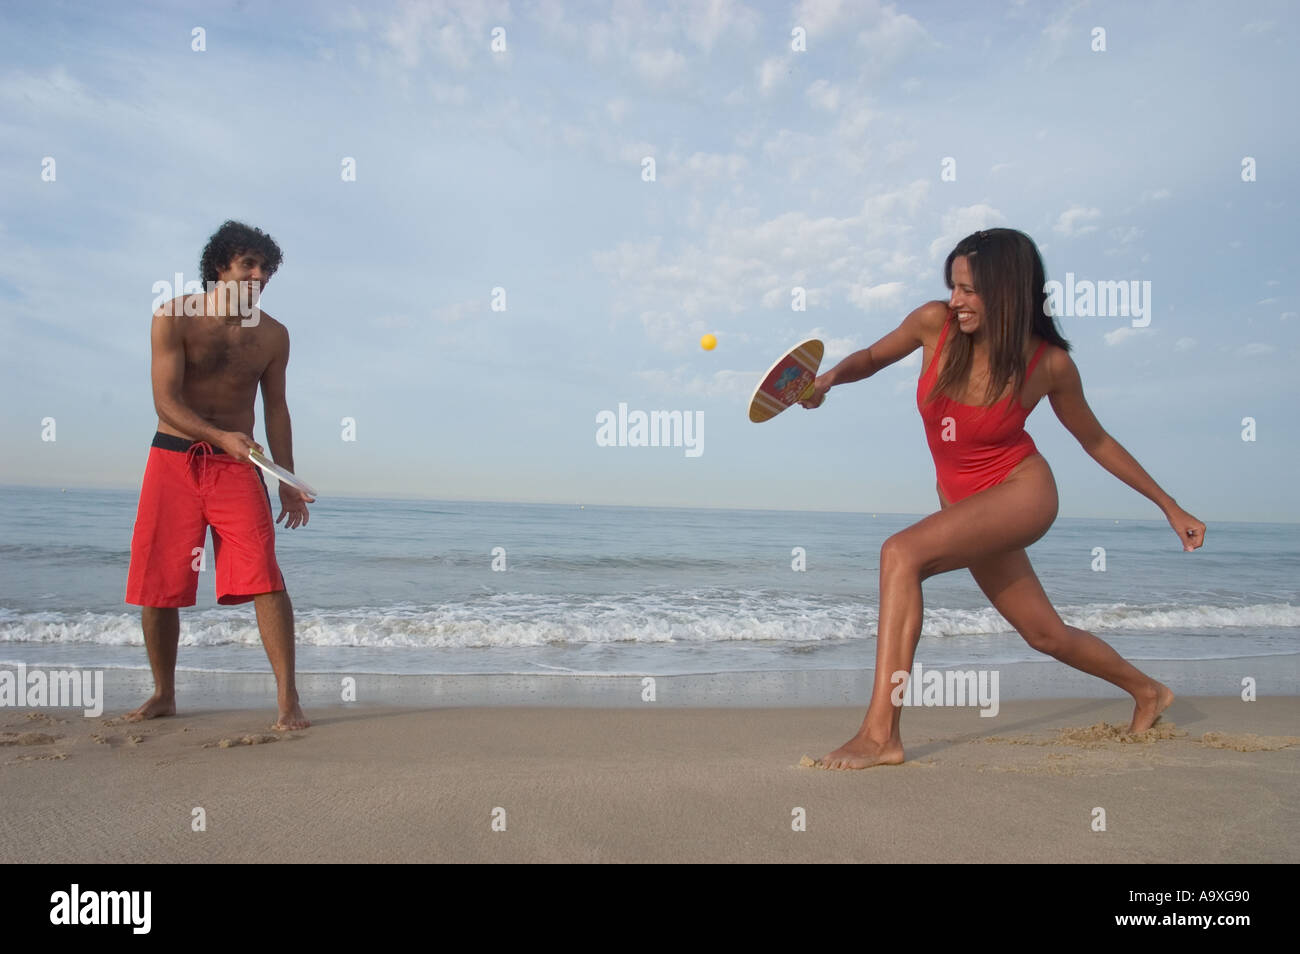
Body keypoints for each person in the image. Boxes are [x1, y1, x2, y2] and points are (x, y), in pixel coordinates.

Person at [801, 228, 1203, 769]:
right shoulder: (933, 324)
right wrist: (828, 380)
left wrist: (1169, 506)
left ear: (1008, 291)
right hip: (965, 507)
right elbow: (871, 357)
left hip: (1020, 494)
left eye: (969, 290)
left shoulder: (1048, 364)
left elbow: (1097, 440)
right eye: (953, 287)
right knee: (1045, 634)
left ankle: (880, 735)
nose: (956, 301)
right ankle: (1149, 691)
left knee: (900, 553)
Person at [124, 220, 312, 731]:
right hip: (173, 459)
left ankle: (287, 700)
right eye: (249, 264)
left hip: (237, 465)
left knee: (265, 577)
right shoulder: (173, 318)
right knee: (158, 583)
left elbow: (277, 409)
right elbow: (166, 401)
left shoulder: (273, 335)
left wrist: (286, 478)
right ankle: (163, 693)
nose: (260, 274)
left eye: (266, 268)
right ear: (220, 267)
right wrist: (219, 435)